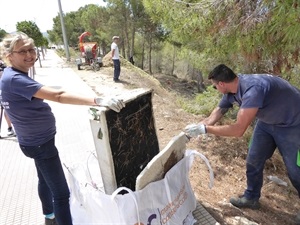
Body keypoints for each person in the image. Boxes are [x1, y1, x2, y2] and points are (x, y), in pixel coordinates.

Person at [0, 32, 125, 225]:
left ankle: (49, 216)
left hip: (34, 142)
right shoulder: (15, 79)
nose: (30, 55)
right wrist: (97, 100)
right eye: (22, 51)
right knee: (61, 193)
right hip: (40, 144)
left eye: (32, 49)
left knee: (44, 179)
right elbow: (58, 96)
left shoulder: (12, 75)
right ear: (9, 55)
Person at [184, 64, 300, 224]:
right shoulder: (233, 87)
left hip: (292, 123)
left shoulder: (253, 89)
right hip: (266, 123)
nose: (215, 88)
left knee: (295, 170)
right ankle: (251, 197)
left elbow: (238, 130)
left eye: (215, 86)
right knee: (254, 158)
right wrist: (200, 126)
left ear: (222, 84)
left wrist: (206, 130)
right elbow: (220, 110)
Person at [0, 59, 15, 136]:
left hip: (7, 91)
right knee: (6, 109)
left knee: (8, 109)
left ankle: (11, 128)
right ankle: (10, 128)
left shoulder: (5, 65)